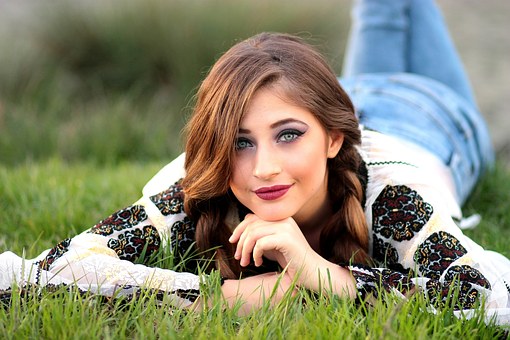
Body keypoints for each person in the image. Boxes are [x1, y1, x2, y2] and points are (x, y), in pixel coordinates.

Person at [1, 0, 509, 325]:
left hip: (426, 118)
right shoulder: (200, 187)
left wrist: (321, 274)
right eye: (241, 142)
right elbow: (47, 274)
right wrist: (228, 298)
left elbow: (489, 298)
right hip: (313, 97)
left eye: (287, 138)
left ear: (333, 140)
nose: (264, 167)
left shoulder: (390, 194)